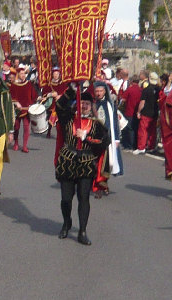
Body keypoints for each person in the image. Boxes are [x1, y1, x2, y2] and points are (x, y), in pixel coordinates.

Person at [55, 86, 109, 245]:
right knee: (66, 199)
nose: (84, 105)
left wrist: (86, 138)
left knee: (83, 198)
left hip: (86, 163)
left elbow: (104, 143)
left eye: (87, 103)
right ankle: (66, 223)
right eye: (81, 102)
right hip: (67, 162)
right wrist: (72, 90)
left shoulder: (97, 124)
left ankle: (82, 231)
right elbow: (59, 106)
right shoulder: (68, 117)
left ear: (91, 106)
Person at [91, 81, 120, 197]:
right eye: (96, 91)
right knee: (94, 163)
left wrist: (116, 139)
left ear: (105, 91)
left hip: (106, 139)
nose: (98, 93)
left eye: (100, 91)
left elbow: (115, 123)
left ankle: (101, 185)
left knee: (105, 164)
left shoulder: (110, 105)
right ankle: (98, 185)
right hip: (94, 138)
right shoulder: (92, 104)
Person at [10, 64, 39, 152]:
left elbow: (34, 95)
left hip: (27, 109)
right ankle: (16, 143)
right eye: (21, 73)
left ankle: (25, 146)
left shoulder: (29, 84)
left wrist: (38, 99)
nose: (23, 75)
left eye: (24, 73)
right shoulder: (14, 85)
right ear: (18, 74)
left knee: (26, 127)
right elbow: (11, 97)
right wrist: (16, 103)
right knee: (16, 127)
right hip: (17, 110)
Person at [134, 72, 160, 154]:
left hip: (146, 113)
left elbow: (142, 102)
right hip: (155, 113)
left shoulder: (146, 89)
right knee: (153, 131)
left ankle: (141, 147)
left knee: (143, 131)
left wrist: (138, 111)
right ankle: (151, 146)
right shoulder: (159, 89)